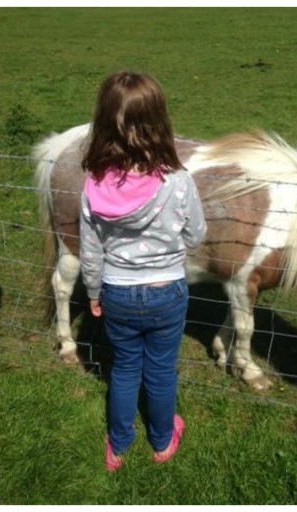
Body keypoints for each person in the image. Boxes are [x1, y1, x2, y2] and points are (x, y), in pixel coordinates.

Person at [79, 71, 207, 472]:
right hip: (166, 290)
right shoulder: (179, 181)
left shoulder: (94, 184)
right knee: (161, 370)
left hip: (116, 291)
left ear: (104, 123)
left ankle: (117, 445)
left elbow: (90, 249)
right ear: (159, 122)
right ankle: (162, 439)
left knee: (124, 368)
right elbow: (197, 235)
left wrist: (93, 292)